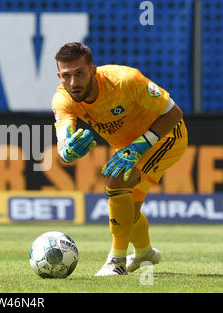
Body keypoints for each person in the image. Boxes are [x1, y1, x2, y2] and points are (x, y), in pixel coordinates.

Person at [52, 42, 187, 276]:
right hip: (128, 150)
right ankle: (144, 252)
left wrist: (139, 146)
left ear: (92, 70)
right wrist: (67, 152)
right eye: (66, 76)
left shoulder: (125, 80)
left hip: (166, 137)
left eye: (80, 73)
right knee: (128, 212)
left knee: (115, 182)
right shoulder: (62, 99)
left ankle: (117, 261)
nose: (73, 83)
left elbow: (174, 113)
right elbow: (64, 140)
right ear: (59, 76)